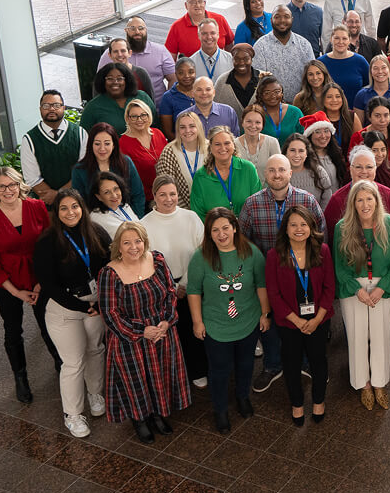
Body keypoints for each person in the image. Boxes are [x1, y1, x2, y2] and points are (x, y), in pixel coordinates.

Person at [99, 220, 191, 442]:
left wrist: (167, 322)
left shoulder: (157, 260)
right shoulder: (109, 273)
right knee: (136, 382)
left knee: (160, 376)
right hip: (130, 340)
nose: (134, 247)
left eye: (138, 241)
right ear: (118, 247)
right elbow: (110, 314)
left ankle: (158, 414)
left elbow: (170, 292)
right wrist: (141, 331)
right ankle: (140, 419)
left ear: (145, 242)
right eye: (127, 242)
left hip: (161, 332)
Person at [0, 167, 61, 403]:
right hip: (8, 284)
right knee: (13, 330)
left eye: (12, 185)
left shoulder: (36, 207)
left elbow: (49, 246)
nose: (7, 190)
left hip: (40, 278)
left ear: (20, 185)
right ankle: (21, 378)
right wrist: (16, 292)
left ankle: (60, 362)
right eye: (2, 186)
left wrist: (39, 284)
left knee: (49, 324)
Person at [34, 189, 109, 437]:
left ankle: (95, 393)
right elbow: (49, 285)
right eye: (63, 208)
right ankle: (73, 415)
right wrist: (82, 307)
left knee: (96, 350)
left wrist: (101, 303)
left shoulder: (96, 232)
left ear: (82, 208)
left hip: (95, 303)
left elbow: (111, 265)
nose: (70, 212)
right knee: (74, 362)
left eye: (74, 206)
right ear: (56, 212)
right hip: (65, 308)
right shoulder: (48, 242)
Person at [186, 208, 269, 434]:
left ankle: (243, 397)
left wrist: (265, 313)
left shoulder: (251, 253)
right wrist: (197, 322)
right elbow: (193, 291)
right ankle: (220, 408)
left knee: (245, 364)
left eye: (225, 228)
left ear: (234, 227)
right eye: (215, 230)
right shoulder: (200, 257)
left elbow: (261, 285)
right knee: (220, 370)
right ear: (209, 233)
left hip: (248, 321)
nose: (221, 234)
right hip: (215, 325)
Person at [334, 180, 390, 410]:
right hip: (353, 288)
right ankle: (363, 384)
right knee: (356, 336)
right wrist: (357, 289)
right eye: (360, 199)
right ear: (353, 203)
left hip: (383, 288)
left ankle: (379, 383)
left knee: (380, 336)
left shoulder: (389, 223)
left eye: (369, 198)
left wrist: (381, 287)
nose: (365, 204)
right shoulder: (343, 227)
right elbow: (339, 266)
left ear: (377, 200)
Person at [266, 205, 335, 424]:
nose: (299, 229)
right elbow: (273, 294)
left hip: (319, 320)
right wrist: (296, 320)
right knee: (292, 363)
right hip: (289, 323)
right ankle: (297, 404)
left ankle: (318, 401)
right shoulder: (274, 255)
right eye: (293, 224)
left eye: (303, 224)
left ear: (311, 227)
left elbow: (329, 288)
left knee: (318, 361)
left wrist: (316, 320)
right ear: (285, 228)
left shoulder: (322, 250)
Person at [140, 176, 207, 389]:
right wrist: (174, 287)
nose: (168, 199)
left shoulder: (191, 217)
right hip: (162, 289)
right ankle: (175, 376)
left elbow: (202, 251)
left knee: (193, 330)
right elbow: (146, 261)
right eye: (162, 195)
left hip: (193, 284)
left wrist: (186, 283)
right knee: (171, 335)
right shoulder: (144, 224)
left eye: (172, 194)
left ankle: (198, 369)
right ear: (154, 196)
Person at [323, 145, 390, 246]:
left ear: (375, 170)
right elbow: (330, 235)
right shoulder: (337, 199)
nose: (364, 171)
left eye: (369, 167)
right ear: (351, 170)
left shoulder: (388, 195)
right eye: (358, 167)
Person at [21, 90, 88, 206]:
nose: (51, 109)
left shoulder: (80, 134)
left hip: (78, 202)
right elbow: (32, 179)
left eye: (56, 105)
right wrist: (53, 199)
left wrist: (59, 195)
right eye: (46, 105)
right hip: (47, 205)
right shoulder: (29, 139)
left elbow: (83, 170)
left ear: (64, 107)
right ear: (40, 109)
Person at [72, 123, 147, 217]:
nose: (102, 148)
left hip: (127, 217)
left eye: (107, 143)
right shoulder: (79, 170)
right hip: (95, 221)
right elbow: (80, 203)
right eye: (97, 144)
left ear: (114, 145)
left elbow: (138, 195)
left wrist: (135, 221)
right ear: (90, 145)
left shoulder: (126, 162)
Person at [98, 16, 177, 103]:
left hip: (155, 108)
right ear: (126, 30)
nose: (137, 32)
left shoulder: (160, 51)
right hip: (117, 109)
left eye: (141, 28)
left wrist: (168, 103)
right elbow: (100, 83)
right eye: (132, 28)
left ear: (146, 30)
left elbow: (173, 78)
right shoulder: (110, 54)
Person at [189, 126, 262, 218]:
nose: (223, 148)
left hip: (246, 229)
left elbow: (258, 204)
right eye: (217, 144)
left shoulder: (248, 169)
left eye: (227, 143)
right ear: (210, 147)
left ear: (233, 145)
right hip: (214, 231)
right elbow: (197, 214)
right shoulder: (200, 176)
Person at [79, 62, 157, 135]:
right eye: (110, 79)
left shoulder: (142, 97)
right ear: (103, 81)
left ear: (127, 80)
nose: (115, 82)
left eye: (120, 79)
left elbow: (156, 125)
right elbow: (84, 137)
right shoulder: (93, 107)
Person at [254, 5, 315, 97]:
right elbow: (258, 80)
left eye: (286, 17)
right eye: (277, 17)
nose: (282, 20)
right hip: (271, 104)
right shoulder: (260, 46)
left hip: (301, 104)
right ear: (271, 20)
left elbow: (311, 76)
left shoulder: (304, 45)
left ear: (292, 19)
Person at [154, 112, 207, 209]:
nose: (187, 130)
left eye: (192, 126)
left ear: (199, 127)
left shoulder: (210, 148)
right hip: (181, 209)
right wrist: (188, 213)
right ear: (177, 130)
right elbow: (166, 188)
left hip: (210, 206)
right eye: (182, 127)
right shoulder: (168, 152)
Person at [349, 96, 390, 177]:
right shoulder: (358, 137)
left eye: (386, 115)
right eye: (377, 116)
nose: (382, 120)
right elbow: (351, 167)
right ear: (369, 117)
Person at [165, 0, 232, 59]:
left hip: (219, 64)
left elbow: (229, 44)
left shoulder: (220, 19)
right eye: (192, 2)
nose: (197, 5)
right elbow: (170, 56)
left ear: (204, 3)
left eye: (200, 1)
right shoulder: (176, 27)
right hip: (192, 68)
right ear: (186, 5)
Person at [119, 98, 167, 194]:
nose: (139, 120)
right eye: (134, 116)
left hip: (166, 190)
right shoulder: (123, 142)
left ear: (149, 116)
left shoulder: (158, 133)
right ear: (128, 118)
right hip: (144, 195)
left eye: (143, 115)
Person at [353, 56, 390, 133]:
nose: (380, 71)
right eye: (375, 68)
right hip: (369, 140)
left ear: (389, 70)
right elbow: (358, 125)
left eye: (383, 67)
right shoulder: (361, 95)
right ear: (371, 72)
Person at [319, 24, 371, 102]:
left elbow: (370, 86)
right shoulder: (321, 62)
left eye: (344, 38)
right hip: (328, 111)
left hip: (356, 111)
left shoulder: (360, 61)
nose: (340, 42)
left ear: (349, 40)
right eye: (336, 38)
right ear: (331, 39)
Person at [213, 43, 264, 119]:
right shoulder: (222, 81)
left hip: (258, 129)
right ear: (232, 60)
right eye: (237, 59)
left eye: (246, 59)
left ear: (251, 59)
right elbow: (214, 109)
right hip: (229, 130)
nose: (241, 62)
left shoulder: (264, 78)